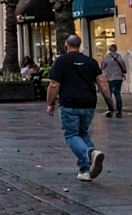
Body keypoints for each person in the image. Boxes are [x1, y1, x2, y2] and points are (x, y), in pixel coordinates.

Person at [47, 34, 113, 182]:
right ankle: (85, 170)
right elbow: (102, 82)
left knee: (71, 135)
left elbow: (54, 84)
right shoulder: (90, 61)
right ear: (79, 45)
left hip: (69, 104)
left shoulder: (61, 61)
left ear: (66, 45)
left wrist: (50, 103)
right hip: (88, 103)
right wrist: (109, 102)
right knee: (83, 133)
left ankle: (90, 153)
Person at [101, 44, 127, 118]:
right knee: (117, 94)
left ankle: (110, 110)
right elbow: (123, 66)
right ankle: (119, 111)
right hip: (118, 78)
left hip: (109, 78)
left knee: (110, 95)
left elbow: (102, 67)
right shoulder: (119, 56)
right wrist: (123, 73)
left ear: (109, 49)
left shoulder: (106, 57)